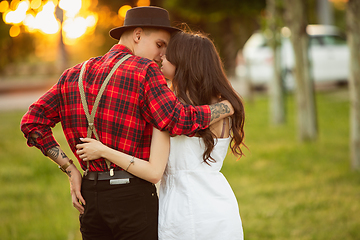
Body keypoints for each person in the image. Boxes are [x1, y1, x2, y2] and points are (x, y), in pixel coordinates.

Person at [20, 6, 234, 240]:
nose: (161, 55)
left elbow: (32, 122)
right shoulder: (145, 71)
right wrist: (225, 107)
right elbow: (176, 120)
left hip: (90, 195)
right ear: (138, 35)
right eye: (160, 45)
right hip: (132, 195)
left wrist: (71, 170)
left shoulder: (74, 73)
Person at [76, 31, 246, 240]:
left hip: (183, 208)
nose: (161, 57)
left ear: (185, 61)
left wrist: (103, 150)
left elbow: (153, 171)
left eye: (168, 53)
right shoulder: (221, 106)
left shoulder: (168, 112)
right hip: (218, 207)